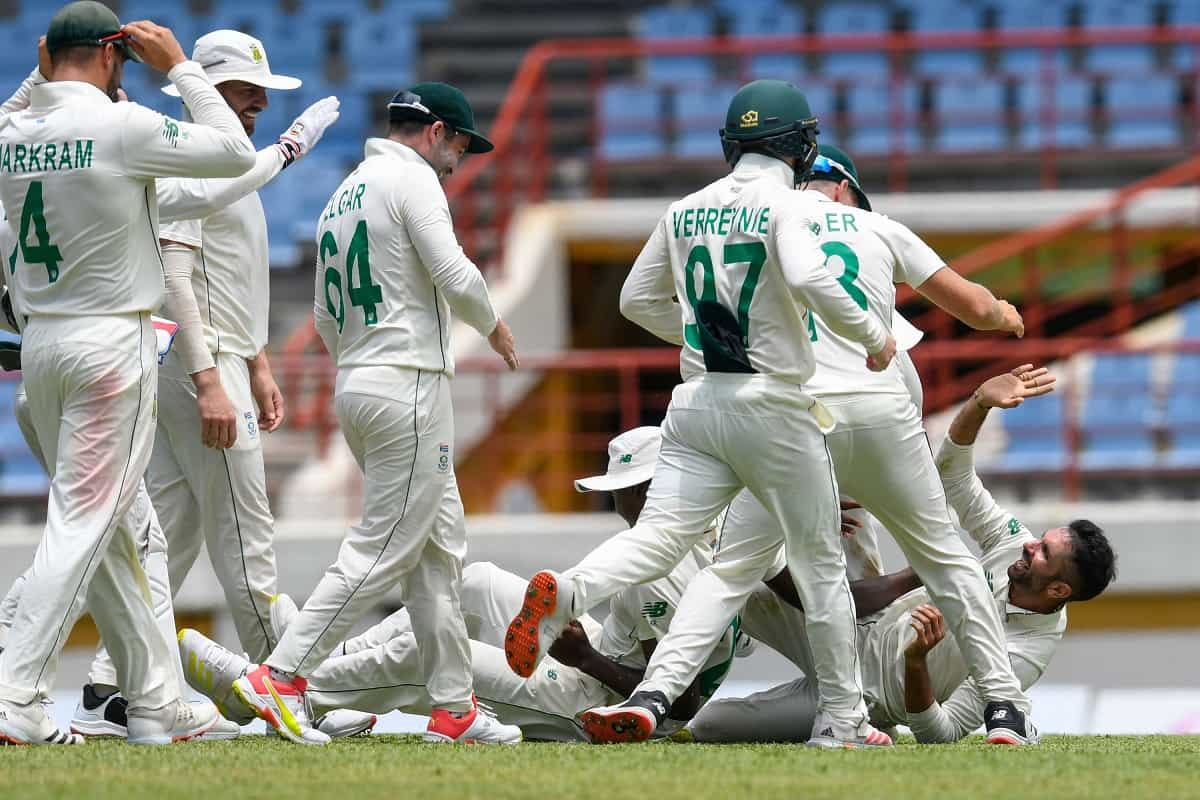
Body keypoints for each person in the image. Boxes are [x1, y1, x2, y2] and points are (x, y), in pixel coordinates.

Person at [584, 143, 1040, 746]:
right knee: (946, 559)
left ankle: (653, 695)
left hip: (791, 417)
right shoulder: (876, 228)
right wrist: (1005, 314)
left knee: (731, 573)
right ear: (846, 189)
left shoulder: (763, 225)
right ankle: (1003, 711)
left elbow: (683, 316)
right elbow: (975, 309)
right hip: (876, 411)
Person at [503, 80, 897, 749]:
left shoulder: (685, 209)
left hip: (697, 403)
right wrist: (872, 337)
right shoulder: (790, 206)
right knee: (819, 567)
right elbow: (810, 279)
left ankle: (569, 591)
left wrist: (697, 334)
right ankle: (847, 723)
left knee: (658, 539)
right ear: (798, 143)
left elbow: (635, 299)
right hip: (772, 405)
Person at [229, 82, 520, 746]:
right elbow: (453, 269)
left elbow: (327, 320)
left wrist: (364, 363)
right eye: (460, 146)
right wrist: (493, 323)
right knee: (385, 547)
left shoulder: (345, 192)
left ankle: (454, 708)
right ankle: (281, 675)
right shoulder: (412, 182)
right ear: (436, 131)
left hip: (360, 379)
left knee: (438, 555)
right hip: (408, 384)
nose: (460, 161)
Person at [0, 1, 255, 745]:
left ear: (48, 54)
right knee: (86, 525)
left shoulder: (12, 133)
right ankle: (16, 696)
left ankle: (154, 701)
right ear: (115, 57)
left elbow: (20, 101)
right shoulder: (123, 124)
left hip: (41, 347)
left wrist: (46, 67)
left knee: (119, 533)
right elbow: (235, 153)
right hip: (111, 344)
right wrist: (178, 65)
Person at [177, 428, 752, 742]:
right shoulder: (698, 536)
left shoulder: (666, 568)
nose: (611, 499)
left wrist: (586, 658)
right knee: (473, 582)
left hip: (599, 699)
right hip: (604, 648)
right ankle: (321, 656)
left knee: (431, 653)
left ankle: (283, 686)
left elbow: (679, 699)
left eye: (619, 488)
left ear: (646, 490)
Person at [679, 366, 1117, 744]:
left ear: (1060, 588)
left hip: (867, 697)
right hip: (857, 619)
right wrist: (979, 403)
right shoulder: (1012, 546)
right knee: (734, 569)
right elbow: (954, 478)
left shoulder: (1027, 653)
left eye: (1043, 553)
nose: (1028, 545)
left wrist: (916, 662)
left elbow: (939, 733)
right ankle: (670, 648)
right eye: (1040, 538)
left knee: (707, 727)